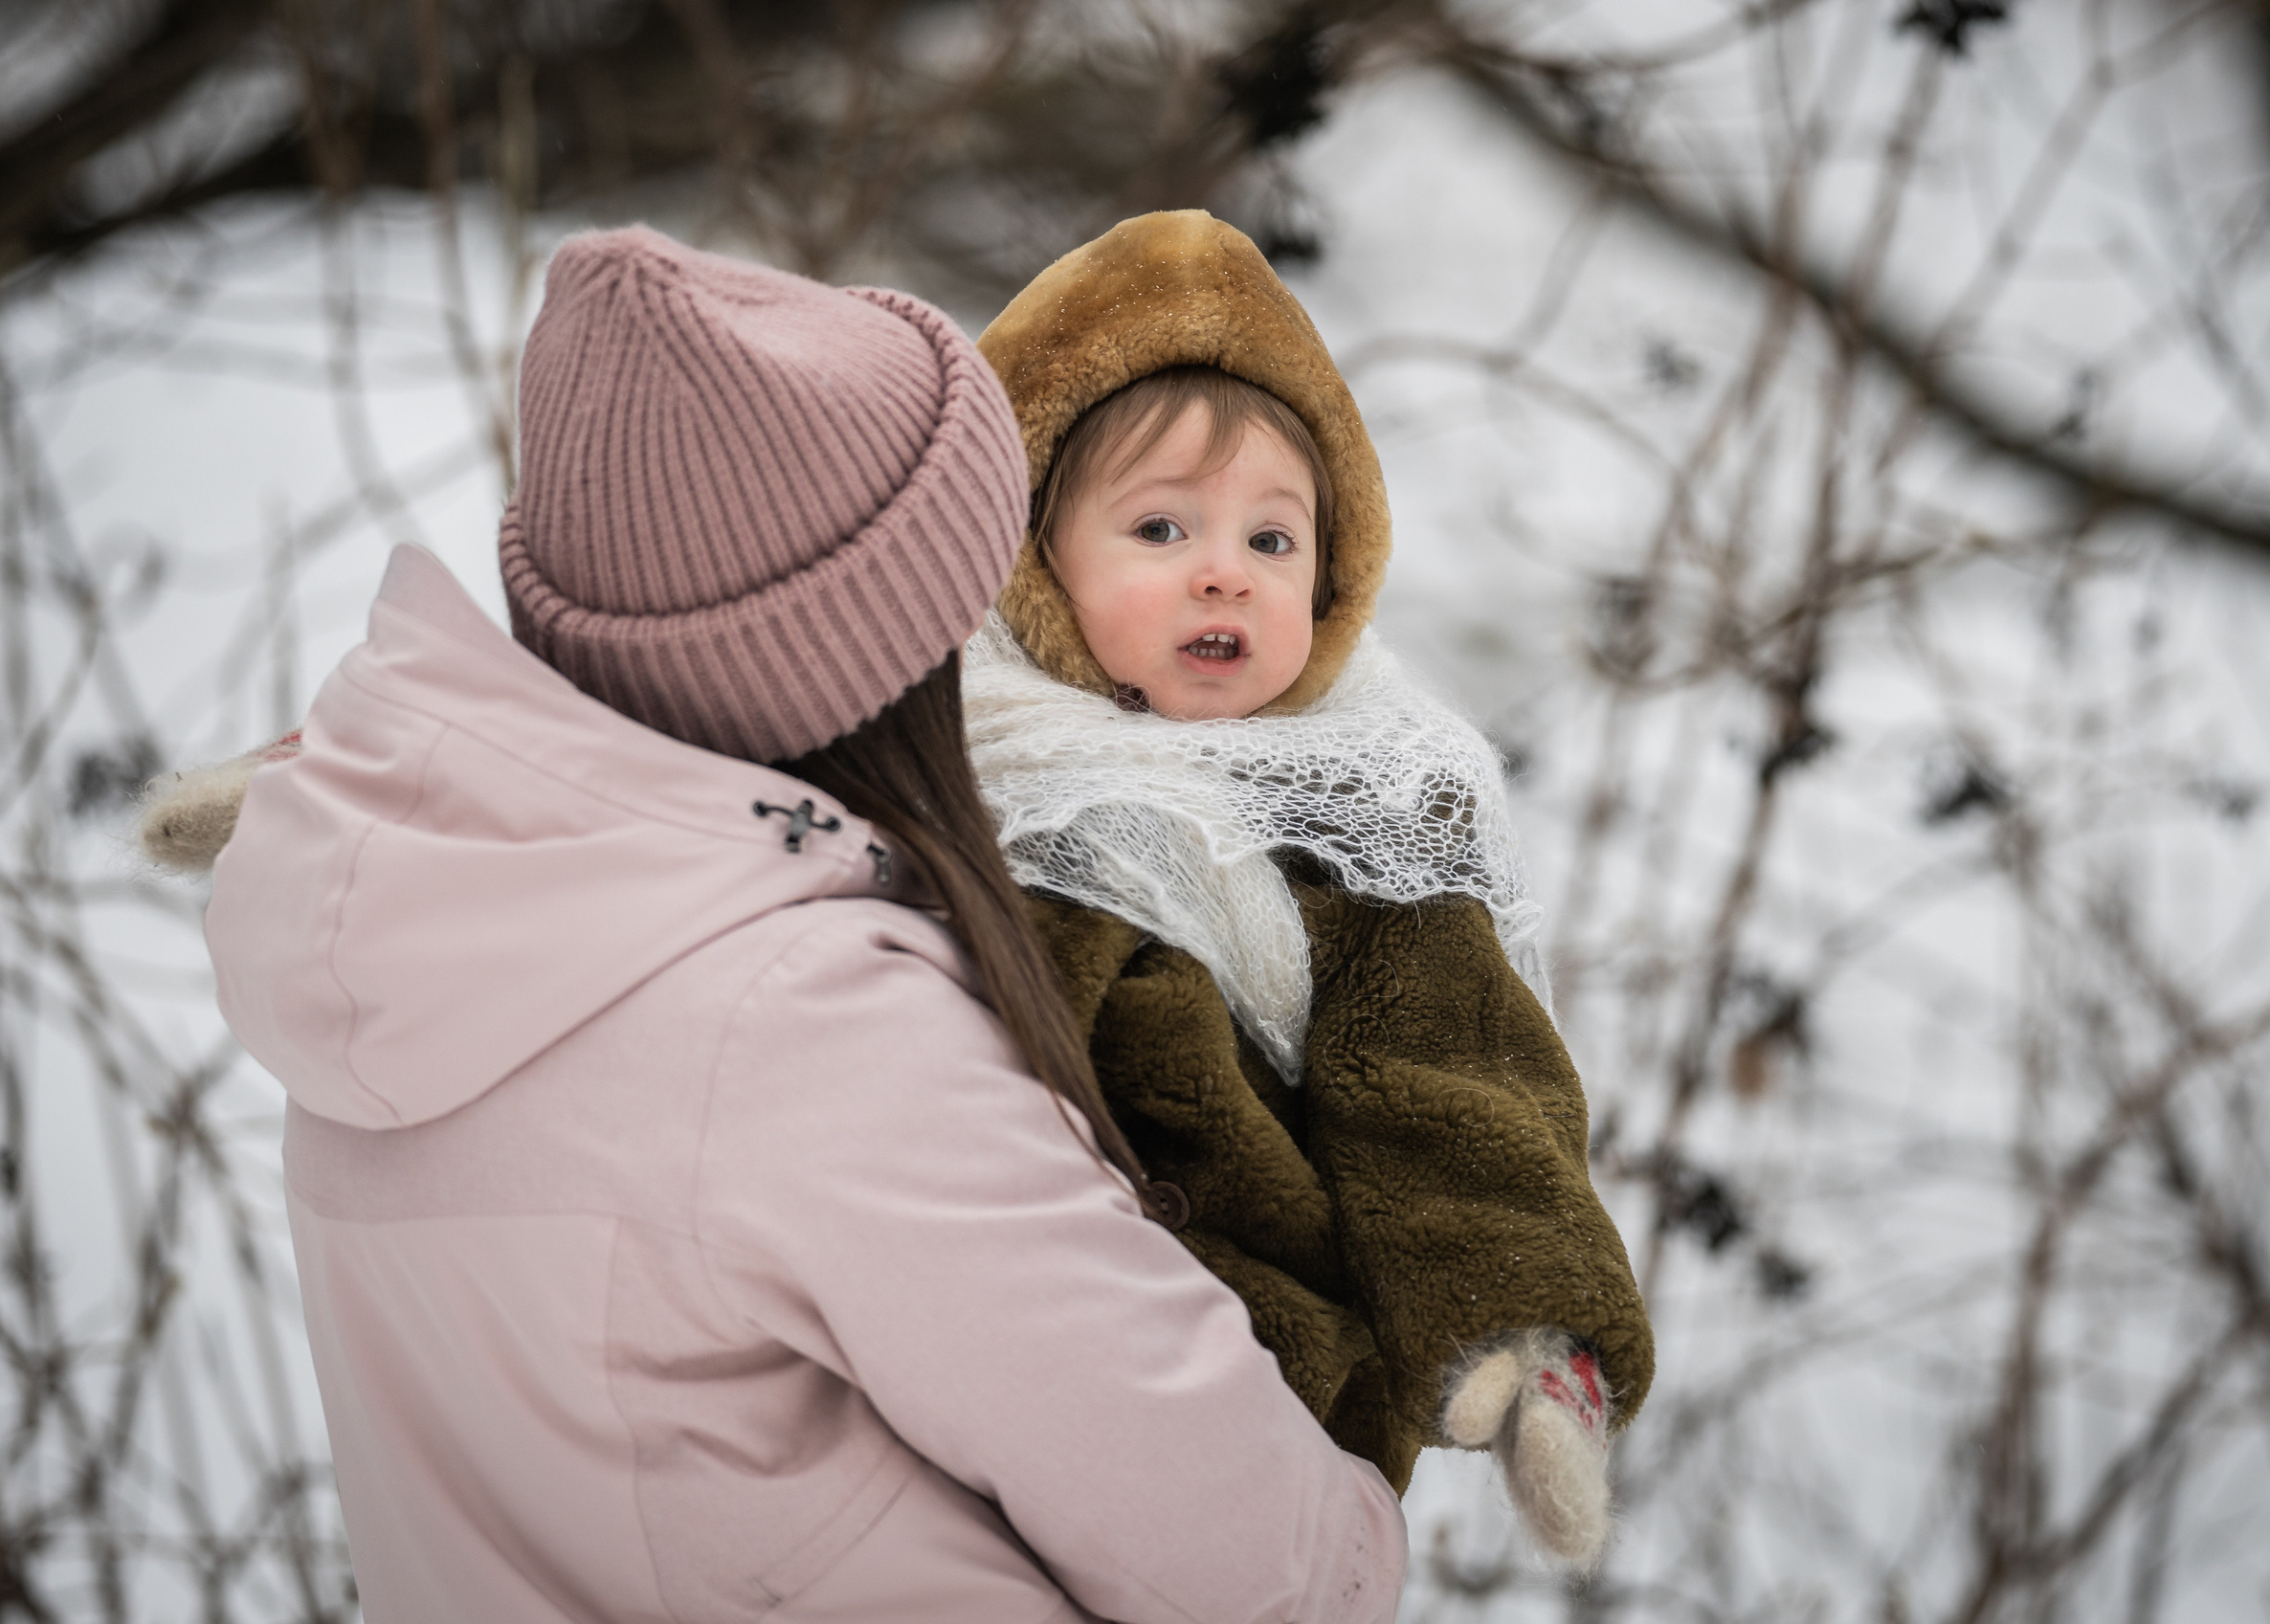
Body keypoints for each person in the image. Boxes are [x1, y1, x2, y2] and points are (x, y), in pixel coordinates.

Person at [176, 226, 1407, 1622]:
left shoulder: (404, 928)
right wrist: (1365, 1504)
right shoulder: (810, 1034)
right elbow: (1257, 1564)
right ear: (885, 648)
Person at [959, 211, 1656, 1569]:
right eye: (1161, 527)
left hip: (1287, 1369)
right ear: (1035, 562)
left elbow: (1448, 1065)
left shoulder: (1369, 796)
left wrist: (1526, 1326)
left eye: (1274, 542)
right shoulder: (987, 764)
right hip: (1024, 1337)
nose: (1225, 568)